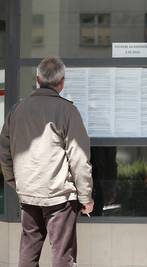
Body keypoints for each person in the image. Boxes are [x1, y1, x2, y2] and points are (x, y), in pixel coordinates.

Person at [0, 57, 94, 267]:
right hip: (59, 197)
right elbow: (79, 158)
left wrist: (14, 182)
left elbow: (4, 151)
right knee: (62, 255)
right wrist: (86, 196)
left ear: (37, 79)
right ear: (61, 83)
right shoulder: (68, 111)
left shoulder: (17, 110)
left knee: (28, 251)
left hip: (28, 193)